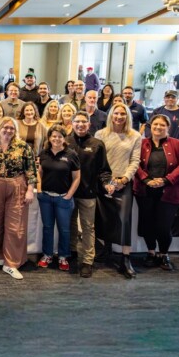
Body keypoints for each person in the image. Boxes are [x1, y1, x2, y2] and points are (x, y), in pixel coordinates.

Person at [134, 115, 179, 272]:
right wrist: (146, 179)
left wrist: (166, 180)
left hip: (168, 191)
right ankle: (151, 252)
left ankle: (164, 254)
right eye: (155, 124)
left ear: (168, 127)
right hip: (145, 191)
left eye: (162, 125)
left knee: (164, 227)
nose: (158, 127)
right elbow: (134, 163)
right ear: (150, 126)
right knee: (147, 224)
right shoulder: (141, 144)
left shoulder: (178, 144)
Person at [0, 117, 37, 280]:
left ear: (15, 130)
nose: (8, 130)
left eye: (12, 128)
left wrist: (30, 190)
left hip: (16, 186)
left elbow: (31, 170)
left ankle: (11, 263)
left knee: (15, 226)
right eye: (5, 127)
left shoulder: (23, 147)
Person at [95, 103, 142, 279]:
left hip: (123, 182)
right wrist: (106, 181)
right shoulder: (101, 134)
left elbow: (135, 161)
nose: (119, 116)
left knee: (124, 221)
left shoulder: (135, 136)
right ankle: (105, 250)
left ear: (127, 116)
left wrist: (124, 179)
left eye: (123, 114)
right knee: (104, 218)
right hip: (104, 182)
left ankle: (125, 259)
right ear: (111, 115)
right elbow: (98, 161)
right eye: (116, 113)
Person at [66, 112, 111, 278]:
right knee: (70, 224)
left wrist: (107, 184)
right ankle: (71, 252)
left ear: (89, 124)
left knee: (87, 227)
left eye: (83, 122)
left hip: (88, 193)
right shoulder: (65, 142)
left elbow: (104, 170)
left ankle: (87, 260)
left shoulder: (97, 144)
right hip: (68, 193)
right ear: (72, 123)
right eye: (77, 121)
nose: (80, 124)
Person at [37, 124, 81, 272]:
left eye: (60, 136)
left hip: (63, 199)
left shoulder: (71, 154)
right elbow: (39, 173)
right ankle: (47, 255)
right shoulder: (44, 153)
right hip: (45, 198)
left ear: (64, 138)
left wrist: (69, 195)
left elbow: (77, 178)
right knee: (47, 228)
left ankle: (63, 256)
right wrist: (39, 189)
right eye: (53, 136)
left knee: (64, 229)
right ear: (49, 138)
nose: (56, 139)